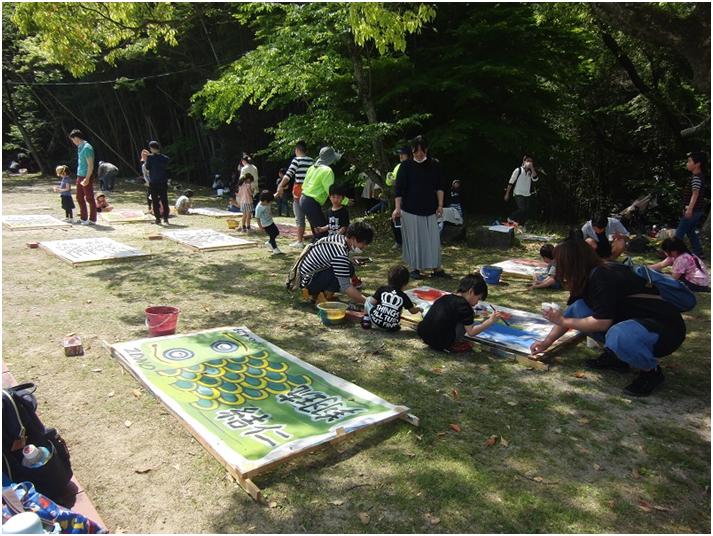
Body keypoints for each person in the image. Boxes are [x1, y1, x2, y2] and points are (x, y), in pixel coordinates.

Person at [530, 238, 686, 397]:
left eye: (560, 262)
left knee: (618, 335)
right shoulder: (587, 275)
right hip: (636, 323)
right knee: (580, 308)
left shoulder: (602, 275)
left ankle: (651, 372)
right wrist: (546, 342)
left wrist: (562, 321)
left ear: (572, 262)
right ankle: (617, 359)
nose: (558, 267)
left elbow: (602, 322)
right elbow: (572, 312)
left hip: (666, 329)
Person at [392, 135, 449, 279]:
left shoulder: (434, 165)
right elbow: (399, 189)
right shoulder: (406, 166)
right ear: (412, 151)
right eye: (416, 151)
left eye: (421, 151)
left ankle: (436, 268)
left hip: (430, 208)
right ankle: (414, 268)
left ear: (426, 150)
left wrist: (440, 205)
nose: (418, 154)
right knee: (413, 240)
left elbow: (440, 186)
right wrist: (397, 208)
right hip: (410, 209)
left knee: (433, 240)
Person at [417, 272, 507, 352]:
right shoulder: (465, 307)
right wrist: (490, 321)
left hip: (424, 335)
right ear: (471, 292)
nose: (477, 303)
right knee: (466, 321)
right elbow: (471, 332)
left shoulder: (445, 297)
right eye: (478, 298)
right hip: (441, 343)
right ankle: (452, 344)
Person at [298, 222, 374, 304]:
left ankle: (324, 293)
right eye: (364, 243)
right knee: (340, 273)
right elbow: (346, 287)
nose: (365, 246)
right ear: (353, 238)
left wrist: (350, 261)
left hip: (306, 277)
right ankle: (322, 296)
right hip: (308, 283)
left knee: (348, 267)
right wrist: (368, 302)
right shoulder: (340, 254)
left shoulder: (339, 238)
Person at [300, 146, 344, 242]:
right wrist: (345, 201)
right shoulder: (327, 171)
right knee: (322, 233)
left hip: (303, 199)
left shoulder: (312, 168)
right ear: (330, 158)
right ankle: (317, 248)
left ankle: (314, 247)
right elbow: (331, 191)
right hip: (312, 202)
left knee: (317, 231)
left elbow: (304, 186)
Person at [276, 141, 314, 249]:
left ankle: (300, 241)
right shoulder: (312, 161)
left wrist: (280, 186)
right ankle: (316, 239)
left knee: (299, 217)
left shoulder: (296, 160)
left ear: (297, 150)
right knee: (311, 216)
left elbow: (288, 175)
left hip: (299, 190)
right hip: (310, 190)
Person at [365, 265, 423, 331]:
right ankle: (394, 325)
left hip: (375, 321)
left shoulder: (382, 289)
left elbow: (372, 302)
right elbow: (412, 311)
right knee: (399, 308)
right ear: (405, 283)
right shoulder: (404, 296)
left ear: (388, 279)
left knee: (368, 299)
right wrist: (419, 309)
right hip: (391, 326)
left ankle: (366, 320)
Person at [675, 151, 709, 257]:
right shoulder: (698, 177)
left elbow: (695, 194)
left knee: (680, 232)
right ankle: (698, 252)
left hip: (693, 210)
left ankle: (671, 252)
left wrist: (689, 209)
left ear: (697, 164)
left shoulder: (696, 178)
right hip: (697, 210)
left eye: (689, 161)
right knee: (690, 232)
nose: (687, 163)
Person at [68, 129, 97, 225]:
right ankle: (84, 218)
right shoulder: (80, 147)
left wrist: (87, 178)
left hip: (86, 175)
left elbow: (90, 165)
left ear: (76, 138)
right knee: (79, 197)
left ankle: (92, 219)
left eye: (73, 140)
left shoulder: (87, 148)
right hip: (79, 175)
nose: (73, 142)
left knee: (89, 197)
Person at [386, 146, 411, 249]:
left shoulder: (413, 166)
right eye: (400, 154)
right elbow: (389, 183)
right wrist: (389, 178)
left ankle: (408, 242)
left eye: (403, 154)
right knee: (395, 219)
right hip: (398, 197)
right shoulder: (398, 166)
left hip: (409, 198)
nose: (400, 156)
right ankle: (399, 241)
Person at [504, 155, 539, 227]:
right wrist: (507, 193)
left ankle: (520, 225)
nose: (529, 162)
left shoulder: (531, 172)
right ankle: (510, 218)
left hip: (527, 194)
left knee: (526, 211)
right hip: (518, 193)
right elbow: (511, 182)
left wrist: (532, 168)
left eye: (531, 161)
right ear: (524, 161)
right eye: (528, 161)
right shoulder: (518, 170)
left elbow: (535, 179)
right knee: (522, 209)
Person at [144, 141, 170, 225]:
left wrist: (146, 160)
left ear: (151, 148)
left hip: (154, 182)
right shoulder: (165, 158)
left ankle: (158, 219)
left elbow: (147, 167)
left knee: (155, 201)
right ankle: (165, 218)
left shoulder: (150, 157)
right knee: (164, 200)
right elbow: (167, 168)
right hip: (163, 181)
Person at [255, 190, 283, 255]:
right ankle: (275, 249)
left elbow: (274, 196)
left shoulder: (268, 200)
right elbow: (257, 218)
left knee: (276, 232)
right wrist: (260, 227)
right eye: (270, 202)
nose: (271, 203)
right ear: (265, 200)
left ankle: (269, 243)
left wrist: (278, 192)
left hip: (270, 221)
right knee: (272, 235)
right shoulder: (259, 208)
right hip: (265, 224)